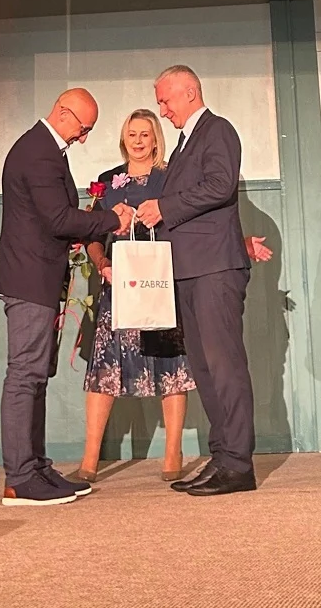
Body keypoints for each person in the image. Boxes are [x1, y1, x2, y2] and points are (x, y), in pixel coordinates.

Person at [78, 109, 272, 483]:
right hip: (119, 288)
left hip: (163, 285)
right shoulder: (107, 182)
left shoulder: (171, 178)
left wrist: (241, 243)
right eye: (132, 133)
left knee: (171, 370)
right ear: (123, 139)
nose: (138, 140)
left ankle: (173, 455)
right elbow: (92, 234)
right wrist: (102, 263)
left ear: (156, 139)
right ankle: (89, 459)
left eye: (145, 133)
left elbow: (200, 222)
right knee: (105, 371)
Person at [0, 88, 134, 506]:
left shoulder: (46, 151)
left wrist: (86, 225)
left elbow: (51, 218)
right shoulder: (38, 152)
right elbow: (56, 219)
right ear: (63, 113)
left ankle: (35, 468)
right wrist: (110, 219)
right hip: (28, 278)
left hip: (38, 276)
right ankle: (20, 478)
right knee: (24, 376)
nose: (83, 138)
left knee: (36, 376)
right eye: (84, 129)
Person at [136, 66, 258, 497]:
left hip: (214, 268)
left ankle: (238, 465)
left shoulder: (216, 130)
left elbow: (221, 186)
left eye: (166, 100)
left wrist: (164, 207)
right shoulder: (185, 143)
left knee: (225, 367)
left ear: (190, 92)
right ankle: (222, 457)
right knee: (205, 371)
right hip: (188, 270)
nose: (162, 110)